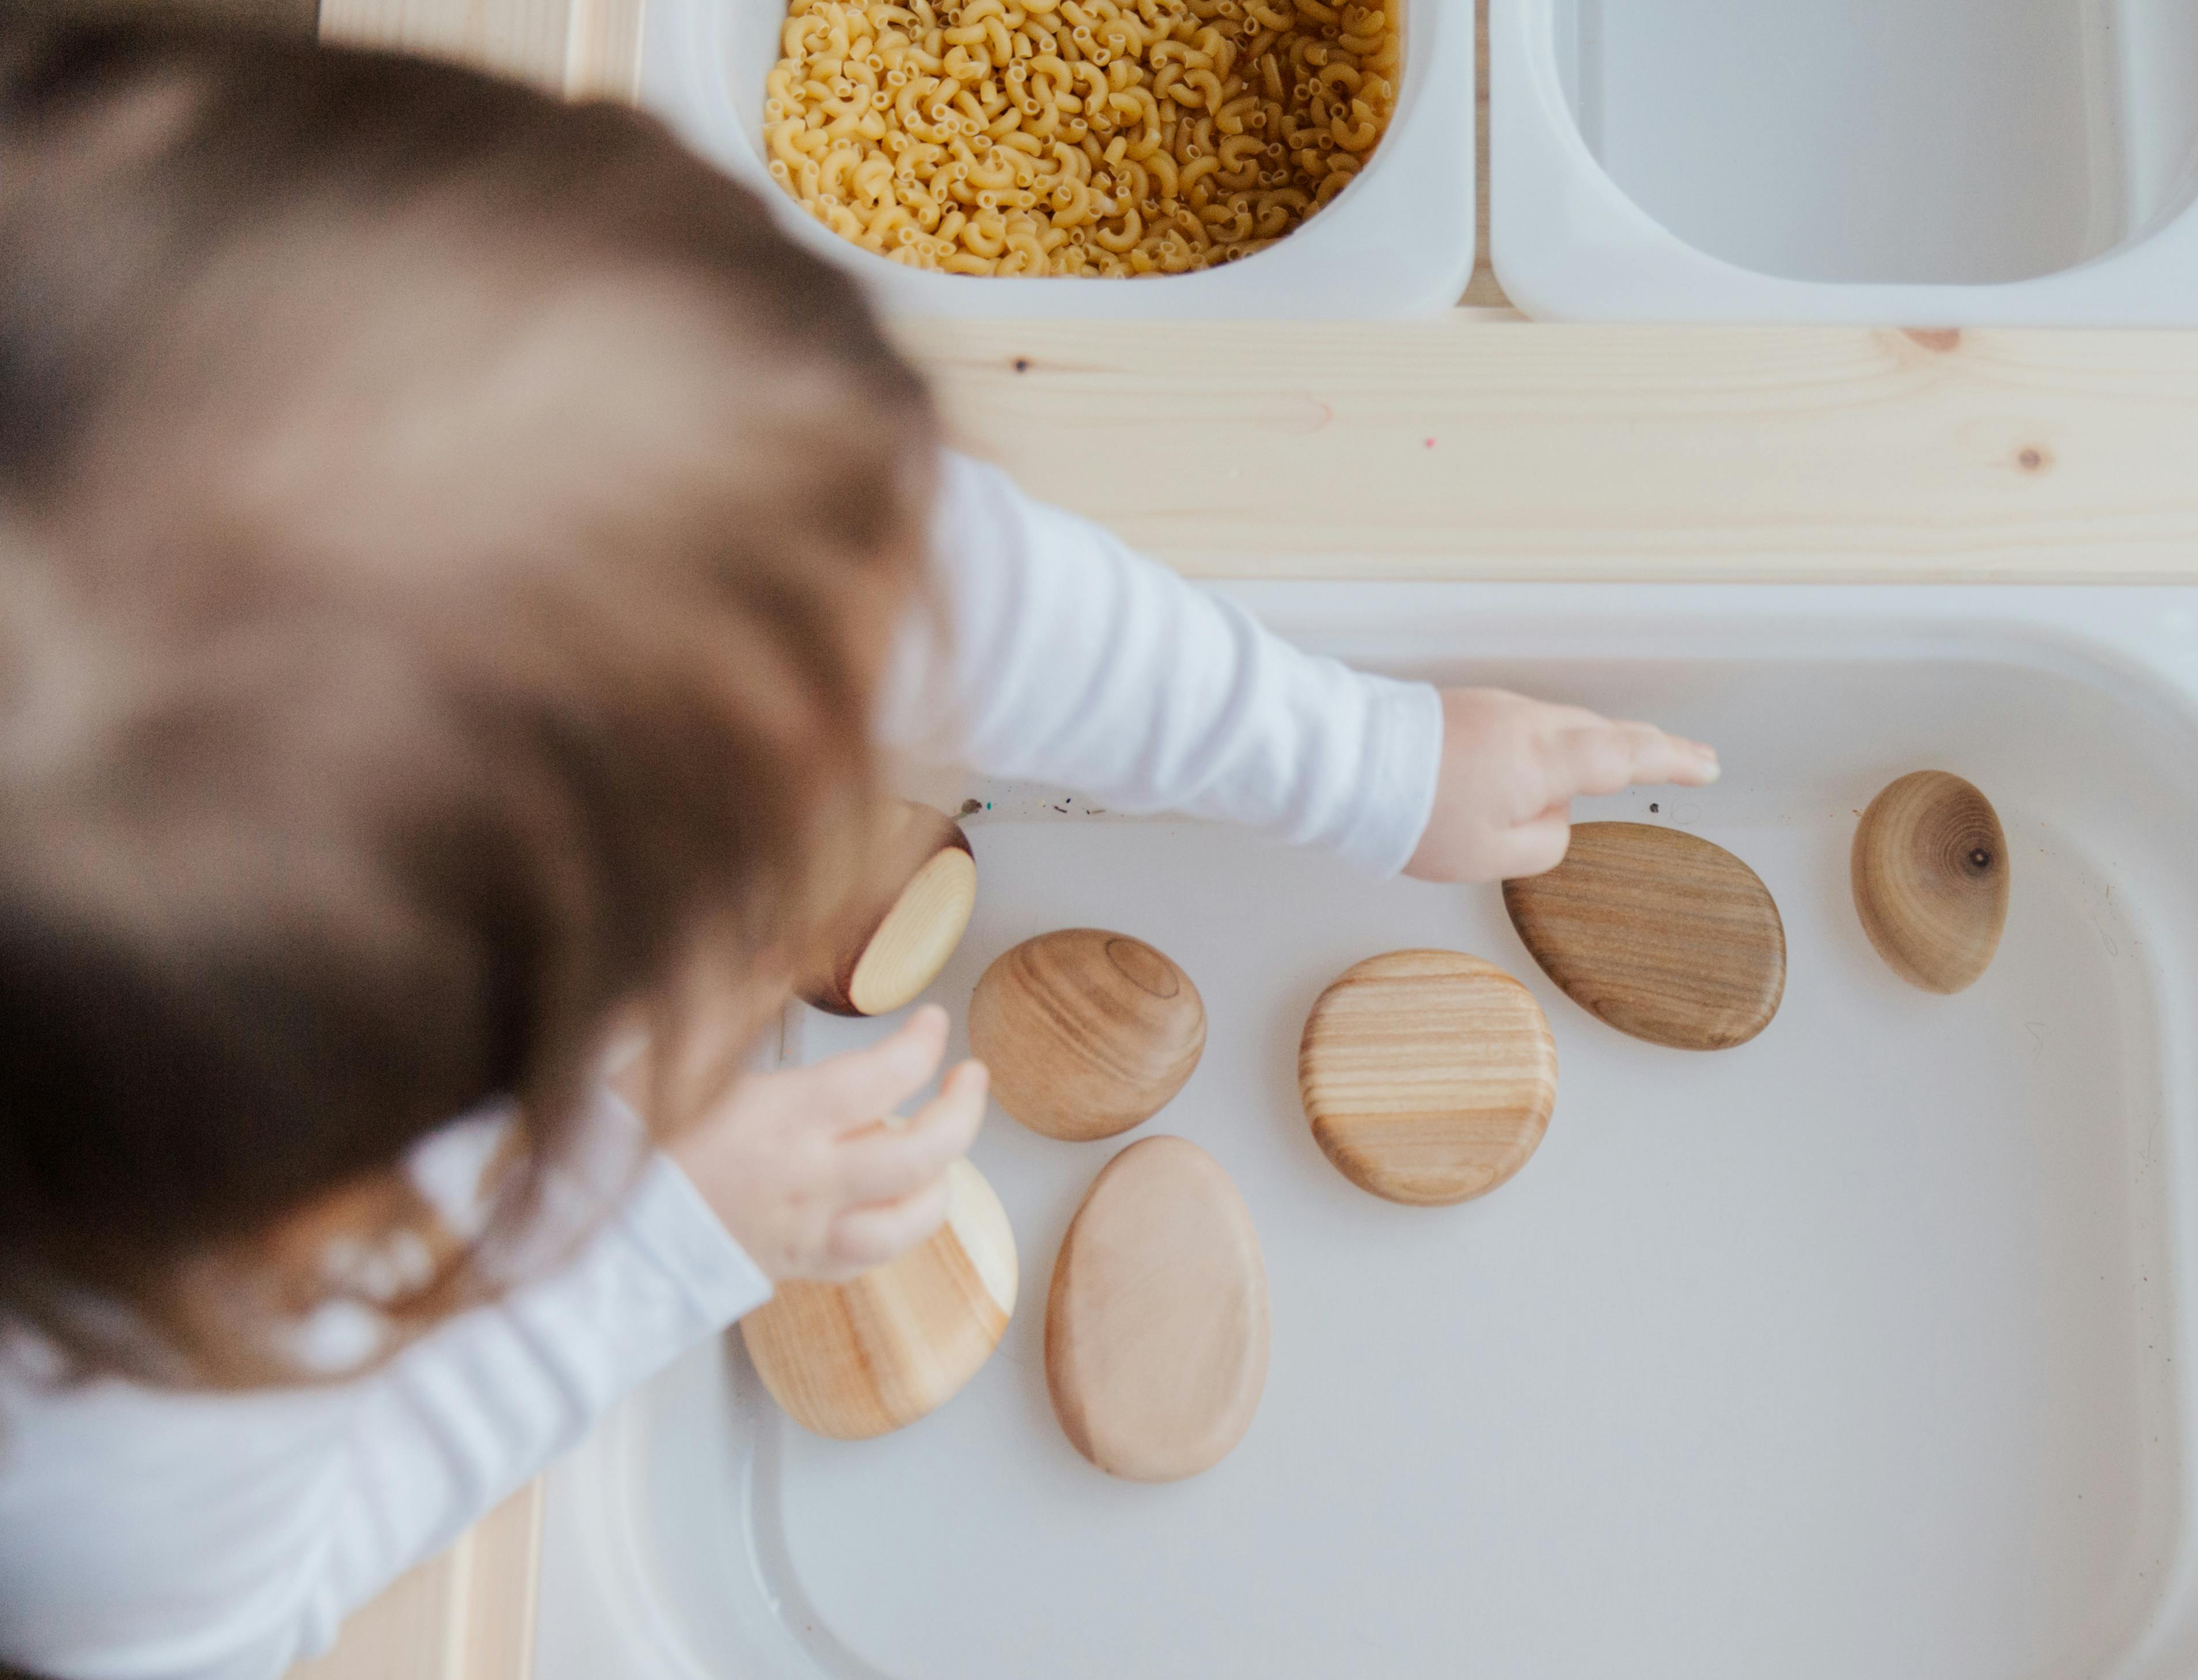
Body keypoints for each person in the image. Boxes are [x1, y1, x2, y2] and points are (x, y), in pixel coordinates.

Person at [0, 21, 1718, 1680]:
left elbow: (890, 575)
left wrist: (1364, 760)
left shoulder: (469, 457)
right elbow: (221, 1630)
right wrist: (656, 1234)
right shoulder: (107, 1439)